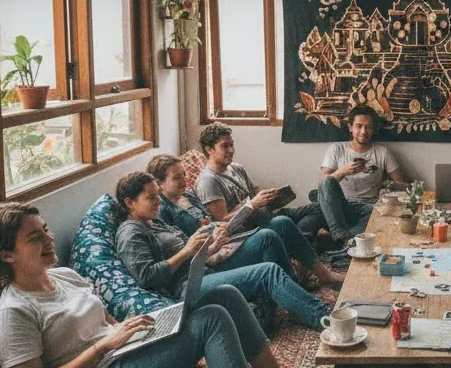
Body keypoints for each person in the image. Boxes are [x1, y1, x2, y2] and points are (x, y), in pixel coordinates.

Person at [0, 202, 318, 368]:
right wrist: (105, 345)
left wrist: (136, 328)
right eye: (34, 237)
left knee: (225, 294)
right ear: (6, 255)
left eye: (46, 229)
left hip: (125, 352)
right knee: (210, 320)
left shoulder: (63, 276)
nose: (48, 239)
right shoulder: (13, 312)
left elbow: (103, 322)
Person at [115, 171, 331, 330]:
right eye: (151, 197)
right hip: (188, 286)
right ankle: (323, 317)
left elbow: (191, 255)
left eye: (157, 195)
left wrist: (211, 248)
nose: (158, 201)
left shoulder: (153, 222)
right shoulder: (130, 233)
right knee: (267, 271)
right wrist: (186, 251)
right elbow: (148, 277)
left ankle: (288, 307)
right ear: (129, 202)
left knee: (266, 237)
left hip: (204, 269)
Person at [149, 154, 342, 288]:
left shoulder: (189, 196)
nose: (184, 180)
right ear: (159, 183)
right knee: (267, 236)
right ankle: (291, 289)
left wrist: (220, 230)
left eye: (184, 174)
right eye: (177, 177)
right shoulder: (162, 211)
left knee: (282, 222)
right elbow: (183, 250)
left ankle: (323, 274)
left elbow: (212, 223)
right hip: (212, 260)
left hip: (229, 241)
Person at [194, 123, 326, 241]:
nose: (231, 150)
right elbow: (223, 221)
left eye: (232, 144)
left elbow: (254, 195)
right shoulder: (208, 181)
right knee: (283, 222)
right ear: (209, 150)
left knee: (318, 208)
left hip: (264, 216)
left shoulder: (236, 168)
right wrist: (252, 205)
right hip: (250, 230)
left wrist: (270, 198)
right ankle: (297, 243)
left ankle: (298, 241)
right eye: (225, 146)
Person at [317, 105, 406, 243]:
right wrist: (343, 171)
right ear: (350, 127)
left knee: (376, 220)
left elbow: (404, 186)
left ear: (373, 129)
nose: (363, 132)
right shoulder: (336, 149)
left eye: (368, 127)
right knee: (310, 217)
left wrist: (391, 185)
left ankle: (343, 240)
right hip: (338, 207)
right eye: (359, 126)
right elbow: (323, 184)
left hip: (368, 207)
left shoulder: (382, 152)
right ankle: (341, 236)